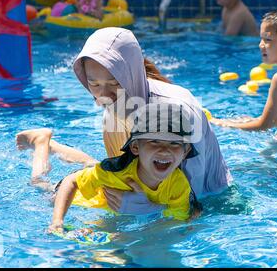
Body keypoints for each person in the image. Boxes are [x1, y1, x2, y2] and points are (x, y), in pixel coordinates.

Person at [16, 27, 232, 216]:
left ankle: (47, 143)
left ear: (132, 74)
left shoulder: (178, 115)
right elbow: (116, 176)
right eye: (94, 84)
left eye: (114, 83)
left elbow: (195, 202)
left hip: (212, 194)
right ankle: (42, 147)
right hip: (159, 189)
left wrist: (150, 208)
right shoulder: (112, 112)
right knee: (48, 191)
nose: (104, 95)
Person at [30, 102, 201, 233]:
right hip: (77, 196)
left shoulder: (179, 185)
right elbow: (70, 182)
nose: (164, 150)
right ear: (135, 147)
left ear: (185, 152)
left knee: (94, 166)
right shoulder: (115, 173)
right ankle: (41, 141)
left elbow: (178, 220)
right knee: (39, 185)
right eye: (154, 141)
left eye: (174, 143)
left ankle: (53, 145)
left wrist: (150, 208)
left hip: (101, 174)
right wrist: (57, 221)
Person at [211, 8, 277, 137]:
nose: (261, 45)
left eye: (268, 40)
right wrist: (249, 121)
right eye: (261, 39)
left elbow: (264, 126)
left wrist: (223, 124)